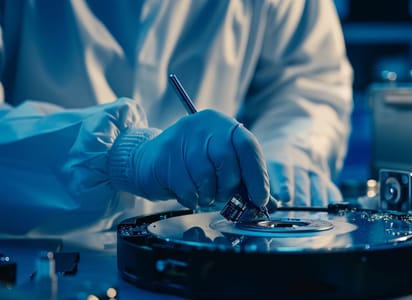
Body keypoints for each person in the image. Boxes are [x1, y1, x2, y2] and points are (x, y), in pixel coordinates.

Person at [0, 0, 353, 235]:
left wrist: (288, 153)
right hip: (41, 246)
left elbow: (307, 82)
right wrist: (124, 158)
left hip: (204, 241)